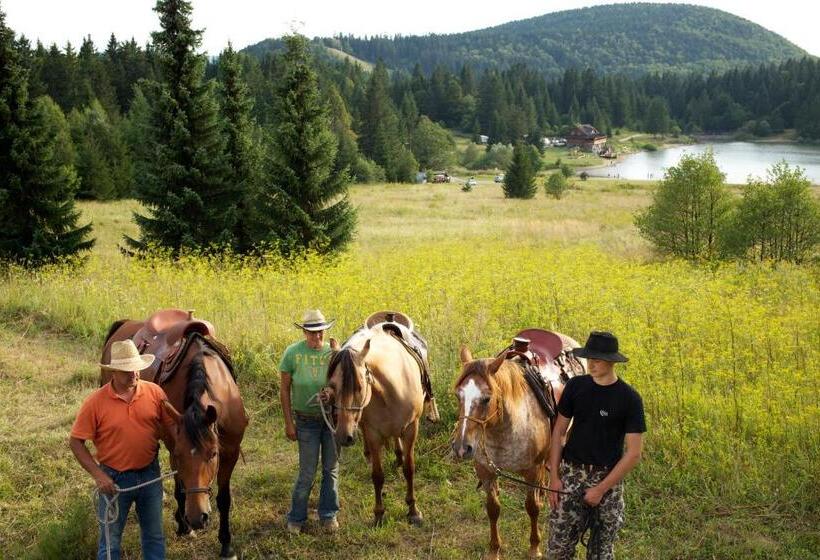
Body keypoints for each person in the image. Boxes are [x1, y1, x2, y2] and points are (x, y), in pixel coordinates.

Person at [69, 339, 176, 560]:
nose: (134, 374)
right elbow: (76, 441)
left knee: (154, 536)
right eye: (127, 370)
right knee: (110, 543)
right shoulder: (95, 403)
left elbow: (172, 430)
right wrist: (99, 476)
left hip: (150, 475)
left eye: (136, 368)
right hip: (113, 480)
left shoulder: (155, 393)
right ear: (113, 373)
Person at [547, 331, 646, 560]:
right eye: (589, 358)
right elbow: (558, 432)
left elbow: (633, 453)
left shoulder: (630, 399)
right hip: (571, 473)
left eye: (597, 360)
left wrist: (601, 489)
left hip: (607, 478)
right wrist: (554, 477)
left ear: (611, 362)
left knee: (602, 552)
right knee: (557, 550)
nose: (590, 364)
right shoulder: (575, 386)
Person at [280, 309, 340, 534]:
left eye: (321, 332)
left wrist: (330, 394)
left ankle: (328, 514)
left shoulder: (333, 353)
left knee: (330, 469)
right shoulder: (292, 353)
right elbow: (284, 390)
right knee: (307, 472)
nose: (317, 337)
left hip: (330, 420)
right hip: (305, 421)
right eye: (312, 333)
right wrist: (289, 422)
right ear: (304, 332)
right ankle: (296, 517)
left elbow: (340, 386)